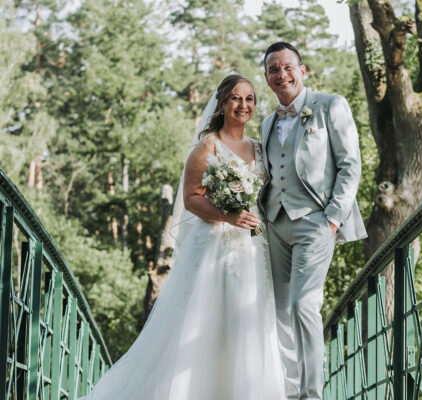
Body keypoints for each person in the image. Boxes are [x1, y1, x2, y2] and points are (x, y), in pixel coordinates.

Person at [80, 75, 284, 400]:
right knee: (206, 320)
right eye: (235, 98)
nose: (243, 105)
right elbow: (191, 198)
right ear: (222, 103)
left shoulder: (259, 148)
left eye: (249, 99)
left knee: (248, 319)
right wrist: (228, 215)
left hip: (253, 248)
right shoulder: (207, 147)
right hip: (215, 247)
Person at [258, 42, 367, 400]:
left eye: (288, 66)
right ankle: (290, 391)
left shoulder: (331, 105)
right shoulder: (266, 123)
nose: (281, 74)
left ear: (302, 71)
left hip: (316, 222)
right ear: (267, 77)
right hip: (275, 222)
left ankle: (312, 395)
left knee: (304, 304)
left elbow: (351, 164)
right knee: (280, 310)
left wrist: (333, 219)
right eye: (273, 69)